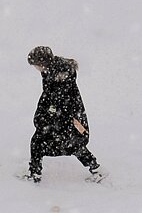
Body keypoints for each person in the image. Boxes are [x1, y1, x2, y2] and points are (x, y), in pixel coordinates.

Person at [24, 45, 103, 183]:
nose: (36, 69)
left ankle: (35, 174)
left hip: (68, 117)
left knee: (67, 142)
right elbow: (49, 97)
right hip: (64, 116)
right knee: (68, 143)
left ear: (42, 63)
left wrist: (49, 115)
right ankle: (96, 169)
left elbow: (59, 101)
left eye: (36, 65)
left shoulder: (60, 75)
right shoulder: (50, 72)